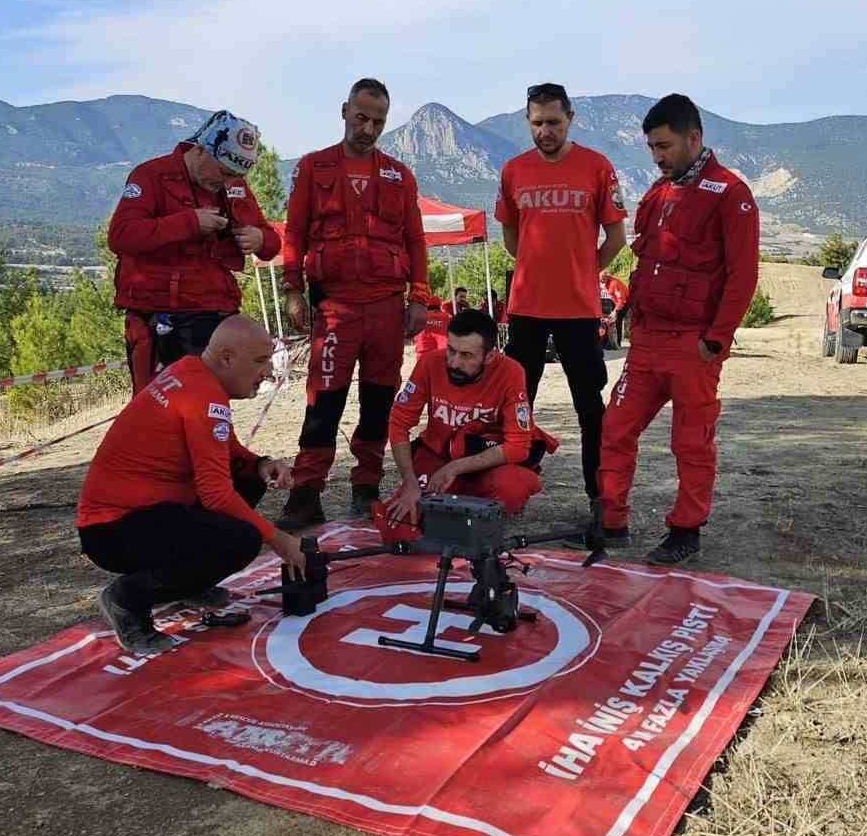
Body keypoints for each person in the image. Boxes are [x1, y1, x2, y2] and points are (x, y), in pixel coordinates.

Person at [77, 316, 308, 655]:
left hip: (134, 514)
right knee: (242, 539)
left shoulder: (193, 373)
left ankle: (193, 581)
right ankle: (127, 599)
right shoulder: (204, 397)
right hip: (114, 529)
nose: (268, 372)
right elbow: (215, 494)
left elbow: (225, 450)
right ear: (227, 358)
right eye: (260, 361)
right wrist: (277, 539)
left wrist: (260, 464)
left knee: (247, 480)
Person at [597, 94, 759, 566]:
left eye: (664, 146)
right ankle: (611, 521)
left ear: (694, 137)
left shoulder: (731, 193)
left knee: (690, 441)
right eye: (651, 147)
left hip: (693, 345)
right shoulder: (659, 193)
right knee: (616, 428)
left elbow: (742, 274)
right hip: (647, 342)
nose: (657, 157)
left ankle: (686, 529)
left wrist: (717, 339)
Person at [278, 78, 433, 529]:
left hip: (386, 307)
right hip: (334, 308)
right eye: (361, 117)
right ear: (344, 110)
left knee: (378, 402)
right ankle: (307, 492)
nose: (368, 128)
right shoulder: (312, 167)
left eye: (378, 121)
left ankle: (366, 487)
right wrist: (292, 290)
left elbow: (416, 241)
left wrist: (418, 297)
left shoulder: (399, 175)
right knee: (323, 402)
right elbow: (295, 232)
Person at [494, 82, 627, 504]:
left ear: (570, 118)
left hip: (579, 309)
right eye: (538, 123)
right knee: (516, 405)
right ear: (527, 122)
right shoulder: (513, 170)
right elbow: (510, 238)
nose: (545, 131)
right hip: (527, 309)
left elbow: (617, 237)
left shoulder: (597, 166)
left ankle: (599, 499)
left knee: (590, 409)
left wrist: (584, 270)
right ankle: (506, 491)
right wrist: (539, 268)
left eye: (554, 122)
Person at [109, 110, 283, 394]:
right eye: (224, 172)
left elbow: (272, 244)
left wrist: (259, 239)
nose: (228, 182)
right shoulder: (152, 175)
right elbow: (121, 236)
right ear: (201, 150)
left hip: (216, 317)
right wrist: (189, 223)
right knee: (160, 407)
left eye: (236, 176)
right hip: (160, 319)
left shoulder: (233, 184)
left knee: (211, 405)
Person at [386, 308, 556, 522]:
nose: (454, 363)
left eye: (466, 355)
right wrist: (410, 482)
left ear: (490, 355)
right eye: (450, 350)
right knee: (406, 519)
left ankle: (478, 508)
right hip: (437, 455)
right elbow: (398, 423)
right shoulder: (429, 363)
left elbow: (518, 446)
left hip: (486, 462)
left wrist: (455, 467)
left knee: (512, 488)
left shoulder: (511, 373)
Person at [600, 270, 630, 343]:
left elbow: (621, 300)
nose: (601, 282)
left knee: (617, 320)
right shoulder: (605, 283)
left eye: (602, 280)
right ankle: (607, 340)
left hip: (624, 302)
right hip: (615, 301)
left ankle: (617, 342)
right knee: (608, 319)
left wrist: (615, 311)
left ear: (606, 278)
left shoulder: (614, 283)